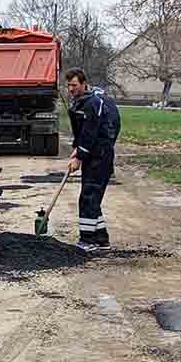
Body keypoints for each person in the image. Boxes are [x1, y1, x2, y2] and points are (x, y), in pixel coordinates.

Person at [64, 67, 121, 249]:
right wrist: (77, 148)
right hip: (94, 155)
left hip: (100, 157)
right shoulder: (81, 102)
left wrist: (79, 157)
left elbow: (90, 132)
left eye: (74, 85)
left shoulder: (93, 103)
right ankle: (101, 239)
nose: (70, 89)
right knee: (92, 198)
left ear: (83, 83)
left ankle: (87, 241)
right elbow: (81, 131)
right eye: (68, 85)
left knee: (88, 198)